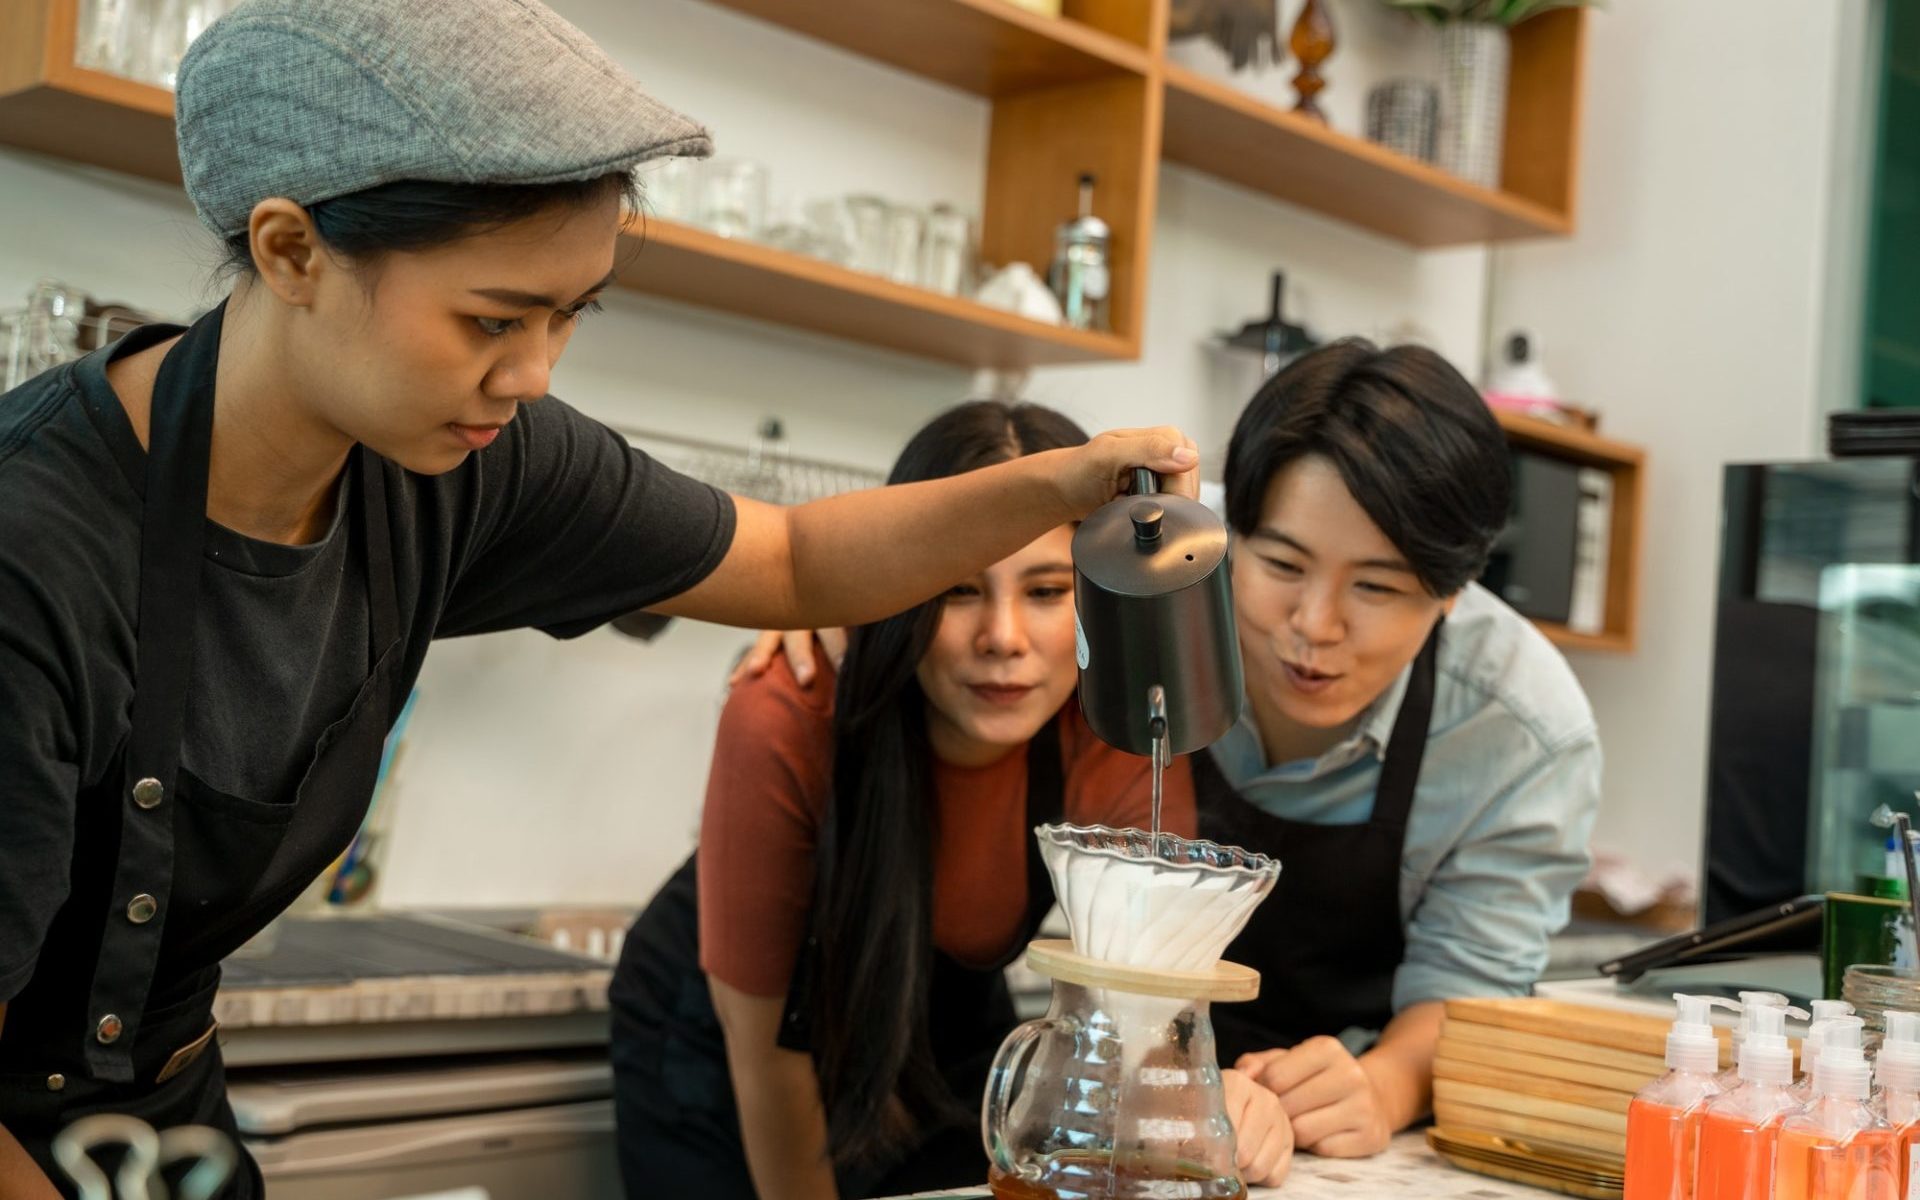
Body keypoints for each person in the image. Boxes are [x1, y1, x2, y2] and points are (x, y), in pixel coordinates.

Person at [0, 4, 1202, 1196]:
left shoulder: (466, 465)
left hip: (163, 1125)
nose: (531, 375)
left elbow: (790, 562)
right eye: (493, 318)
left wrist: (1066, 479)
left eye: (571, 315)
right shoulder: (34, 549)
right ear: (292, 252)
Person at [749, 338, 1603, 1161]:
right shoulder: (1153, 576)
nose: (1315, 626)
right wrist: (863, 599)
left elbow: (1469, 992)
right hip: (1145, 1056)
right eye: (1281, 564)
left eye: (1376, 587)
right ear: (1231, 532)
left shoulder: (1522, 733)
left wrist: (1379, 1088)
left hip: (1326, 1094)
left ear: (1452, 593)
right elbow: (1009, 593)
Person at [609, 401, 1292, 1200]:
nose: (1002, 637)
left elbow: (1150, 1012)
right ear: (900, 583)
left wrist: (1211, 1107)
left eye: (1044, 591)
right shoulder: (790, 706)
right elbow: (766, 1058)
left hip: (944, 1031)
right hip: (730, 1043)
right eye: (958, 589)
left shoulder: (1111, 717)